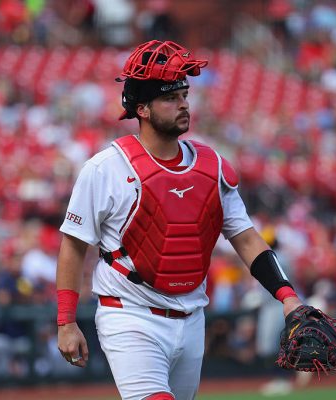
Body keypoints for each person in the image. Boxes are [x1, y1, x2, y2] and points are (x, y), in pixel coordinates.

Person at [56, 40, 303, 400]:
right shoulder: (105, 168)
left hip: (191, 319)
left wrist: (287, 296)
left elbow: (246, 238)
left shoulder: (212, 166)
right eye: (171, 97)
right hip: (130, 316)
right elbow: (74, 245)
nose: (184, 103)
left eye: (185, 94)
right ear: (141, 108)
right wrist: (65, 321)